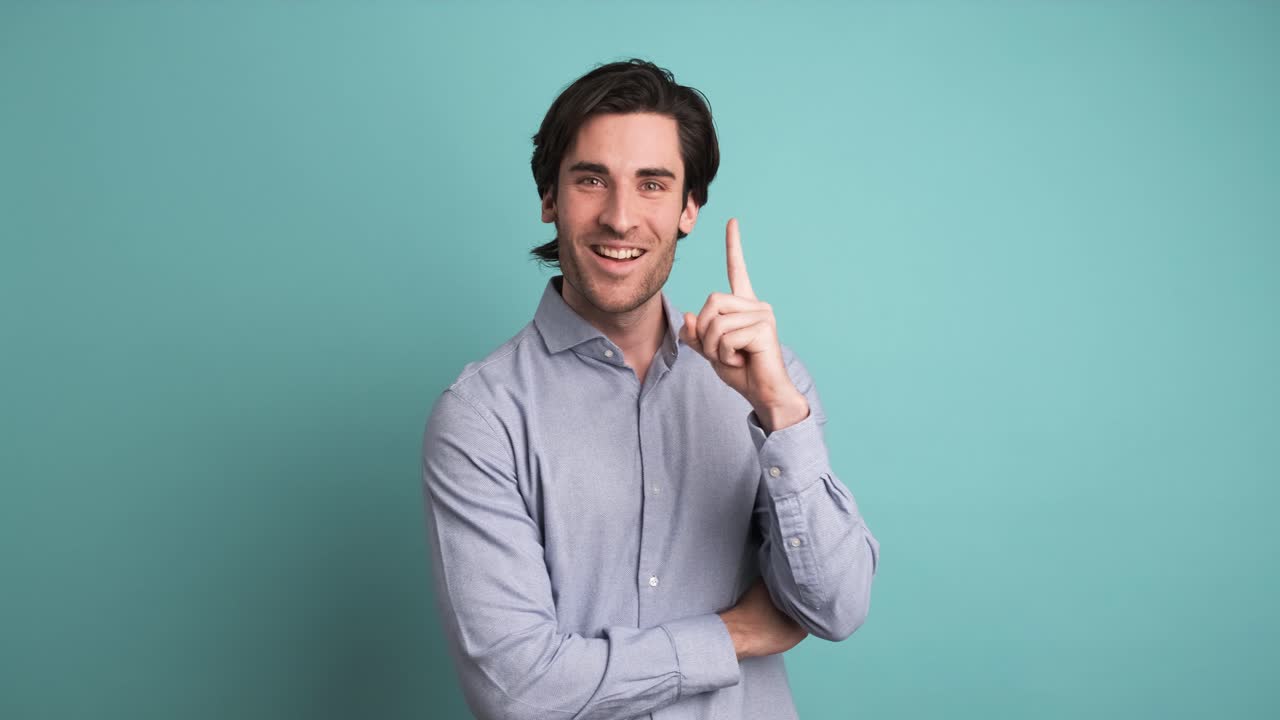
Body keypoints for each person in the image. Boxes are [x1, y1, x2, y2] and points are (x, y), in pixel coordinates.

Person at [421, 58, 880, 720]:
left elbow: (835, 608)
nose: (620, 217)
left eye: (653, 185)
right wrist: (734, 634)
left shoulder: (768, 387)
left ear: (690, 207)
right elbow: (517, 693)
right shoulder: (481, 418)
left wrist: (781, 413)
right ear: (549, 198)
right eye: (590, 181)